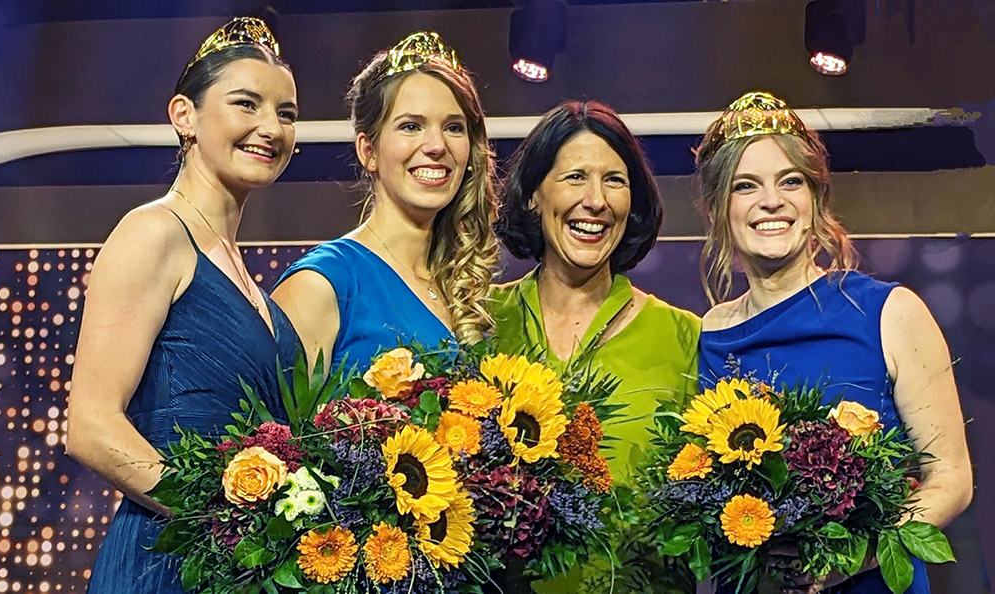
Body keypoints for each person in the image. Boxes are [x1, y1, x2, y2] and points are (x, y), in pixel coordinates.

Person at [695, 91, 973, 594]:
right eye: (745, 185)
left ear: (816, 199)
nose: (771, 201)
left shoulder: (889, 312)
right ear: (718, 209)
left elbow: (951, 479)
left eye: (790, 181)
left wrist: (846, 559)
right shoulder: (707, 336)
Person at [65, 17, 300, 593]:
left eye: (286, 113)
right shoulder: (153, 233)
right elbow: (91, 427)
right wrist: (217, 518)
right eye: (247, 104)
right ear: (184, 116)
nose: (270, 127)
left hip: (238, 567)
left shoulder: (244, 272)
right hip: (167, 561)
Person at [491, 100, 701, 593]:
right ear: (532, 197)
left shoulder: (685, 337)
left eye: (614, 180)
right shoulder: (476, 323)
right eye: (575, 178)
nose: (596, 201)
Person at [272, 31, 498, 373]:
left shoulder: (465, 287)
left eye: (453, 127)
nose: (437, 145)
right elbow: (267, 425)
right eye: (411, 126)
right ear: (368, 151)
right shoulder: (323, 283)